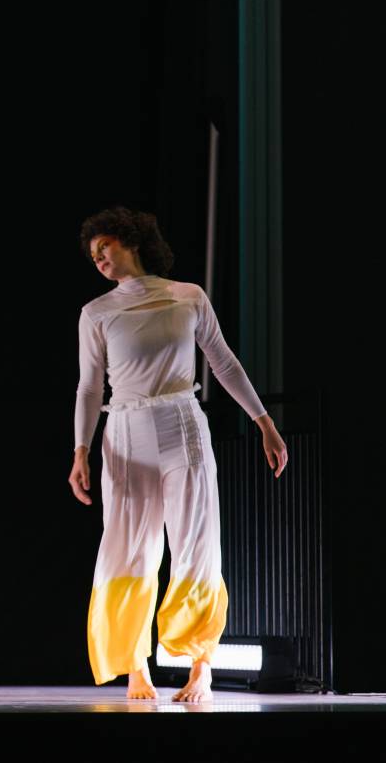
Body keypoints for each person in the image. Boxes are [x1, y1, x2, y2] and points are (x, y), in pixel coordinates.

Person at [69, 206, 288, 702]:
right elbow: (87, 388)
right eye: (93, 256)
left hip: (182, 427)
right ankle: (135, 665)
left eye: (106, 248)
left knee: (195, 543)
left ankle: (200, 665)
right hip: (124, 434)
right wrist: (81, 450)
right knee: (129, 550)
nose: (99, 260)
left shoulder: (187, 296)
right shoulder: (96, 313)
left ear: (133, 241)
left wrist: (264, 423)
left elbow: (225, 362)